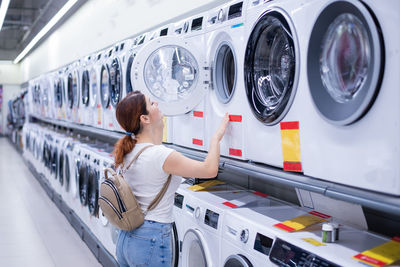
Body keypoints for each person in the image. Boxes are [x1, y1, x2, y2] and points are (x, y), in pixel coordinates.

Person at [113, 91, 229, 267]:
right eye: (151, 103)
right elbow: (210, 169)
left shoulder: (129, 151)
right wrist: (216, 139)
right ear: (144, 118)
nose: (157, 104)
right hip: (150, 237)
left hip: (126, 238)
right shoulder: (161, 155)